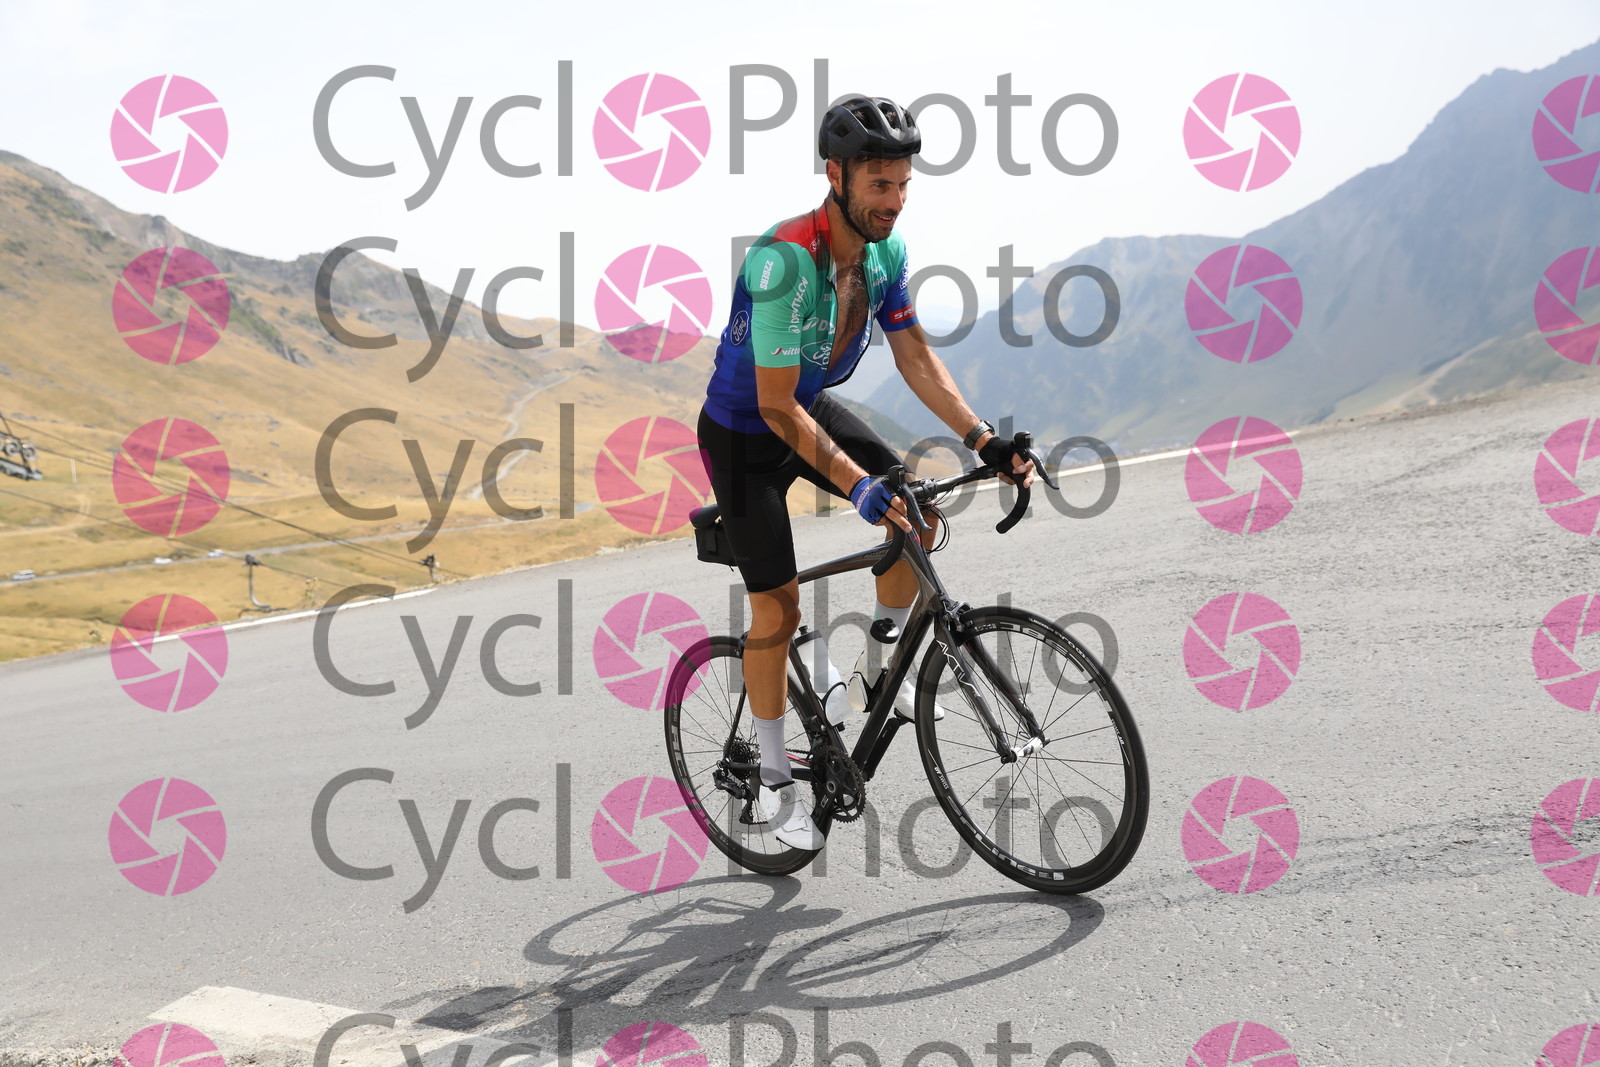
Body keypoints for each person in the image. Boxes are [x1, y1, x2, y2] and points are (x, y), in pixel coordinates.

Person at [696, 95, 1036, 850]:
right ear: (836, 176)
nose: (895, 200)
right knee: (777, 610)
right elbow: (776, 406)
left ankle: (879, 677)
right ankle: (776, 782)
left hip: (808, 405)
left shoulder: (886, 253)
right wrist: (857, 484)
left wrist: (982, 439)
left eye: (904, 184)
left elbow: (915, 355)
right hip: (747, 432)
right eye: (880, 184)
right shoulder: (783, 260)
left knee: (917, 511)